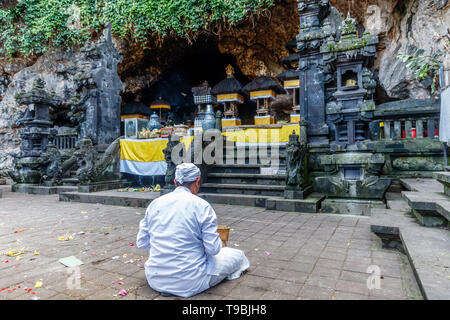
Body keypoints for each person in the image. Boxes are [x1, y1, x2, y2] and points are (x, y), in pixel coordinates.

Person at [136, 162, 249, 298]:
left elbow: (142, 243)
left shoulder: (155, 204)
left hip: (155, 279)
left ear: (175, 182)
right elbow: (213, 249)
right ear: (197, 181)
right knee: (237, 255)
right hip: (191, 282)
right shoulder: (202, 206)